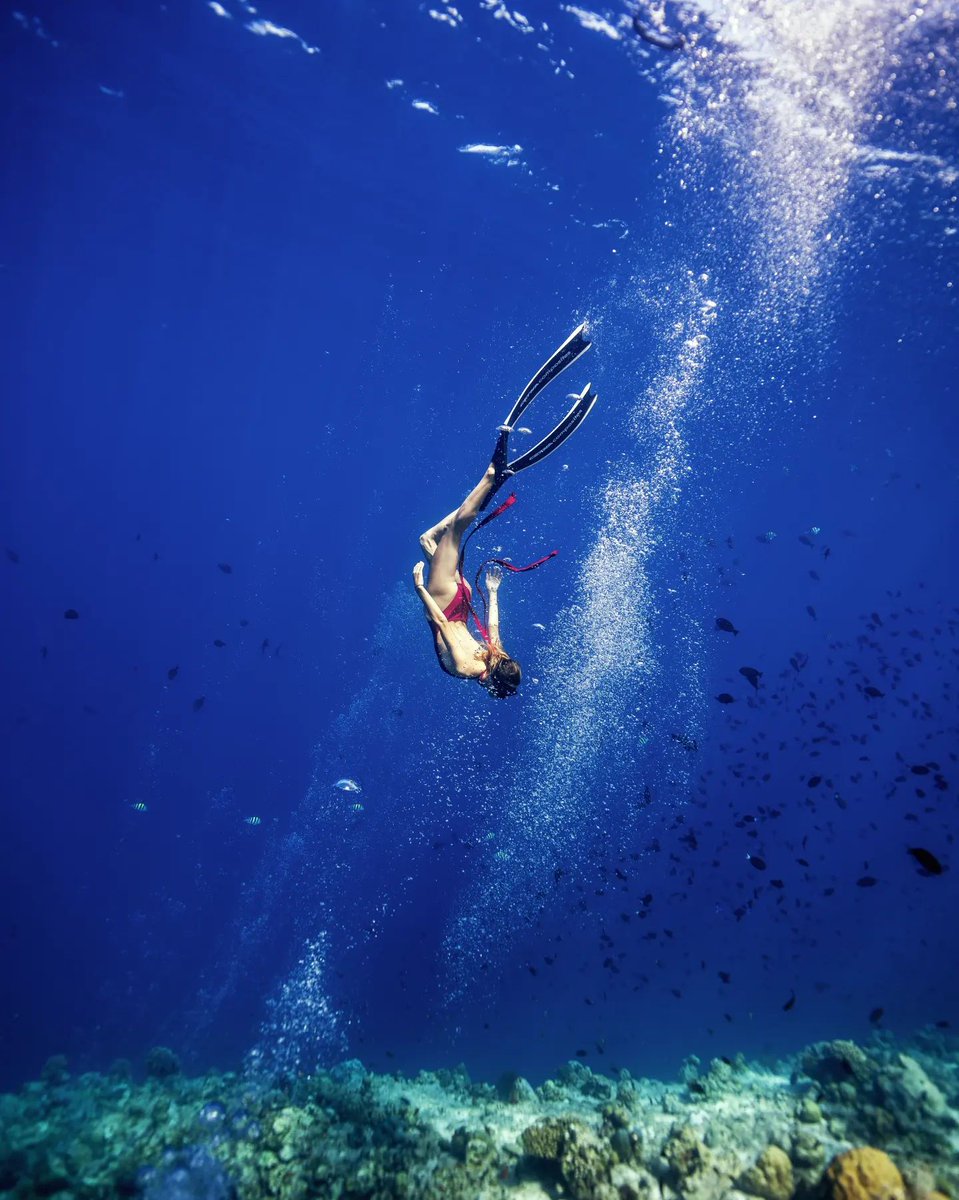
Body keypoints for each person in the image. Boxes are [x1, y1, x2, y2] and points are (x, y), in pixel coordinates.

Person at [412, 324, 599, 698]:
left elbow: (478, 629)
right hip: (449, 600)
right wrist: (420, 587)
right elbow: (440, 623)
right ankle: (491, 478)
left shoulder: (486, 660)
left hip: (454, 602)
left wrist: (491, 592)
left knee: (436, 537)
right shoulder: (474, 667)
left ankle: (491, 482)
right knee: (452, 532)